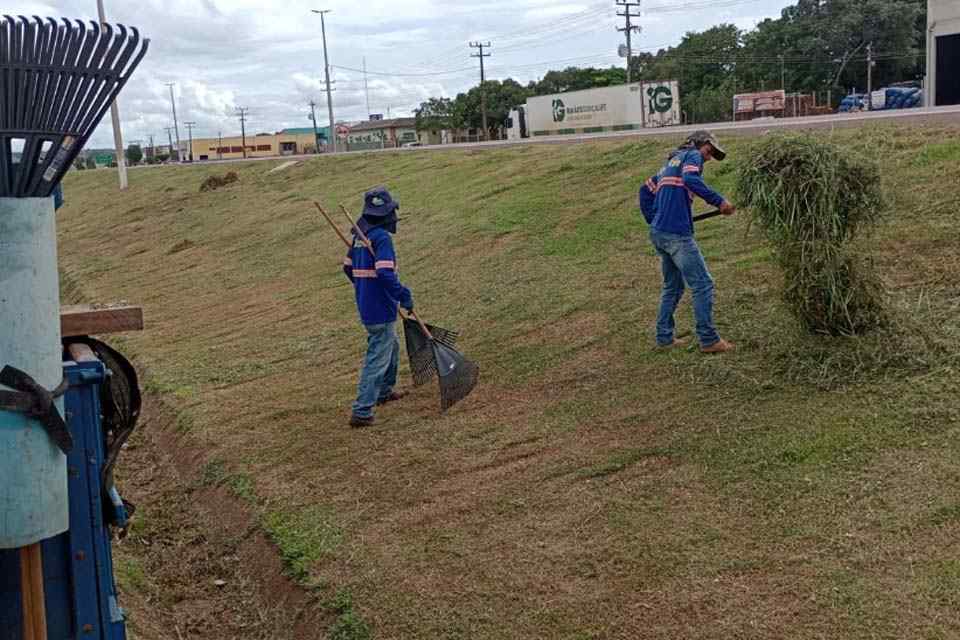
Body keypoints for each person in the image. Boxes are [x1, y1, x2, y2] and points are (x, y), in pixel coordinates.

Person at [638, 130, 736, 354]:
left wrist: (656, 218)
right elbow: (691, 179)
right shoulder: (692, 155)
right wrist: (720, 202)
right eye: (709, 151)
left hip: (660, 233)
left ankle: (664, 338)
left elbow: (645, 191)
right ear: (698, 144)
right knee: (702, 284)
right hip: (676, 235)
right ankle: (708, 340)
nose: (708, 158)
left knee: (673, 286)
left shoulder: (669, 165)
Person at [342, 187, 415, 427]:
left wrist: (365, 287)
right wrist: (403, 294)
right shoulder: (381, 238)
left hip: (368, 305)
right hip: (380, 308)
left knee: (391, 345)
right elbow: (384, 272)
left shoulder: (360, 237)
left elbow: (347, 268)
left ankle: (384, 391)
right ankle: (362, 411)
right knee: (378, 357)